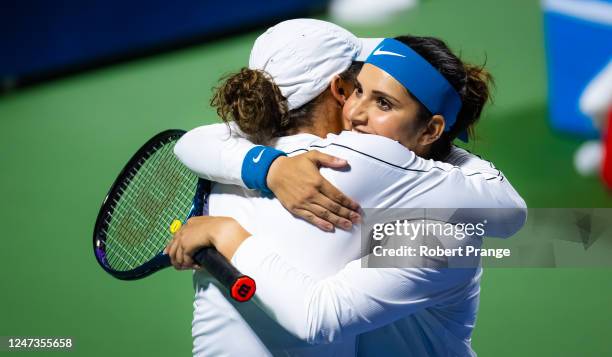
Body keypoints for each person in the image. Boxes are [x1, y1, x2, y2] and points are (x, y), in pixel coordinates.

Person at [168, 19, 527, 356]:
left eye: (382, 102)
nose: (356, 112)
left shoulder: (224, 167)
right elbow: (511, 213)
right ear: (338, 89)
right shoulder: (350, 162)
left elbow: (192, 142)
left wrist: (225, 232)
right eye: (358, 91)